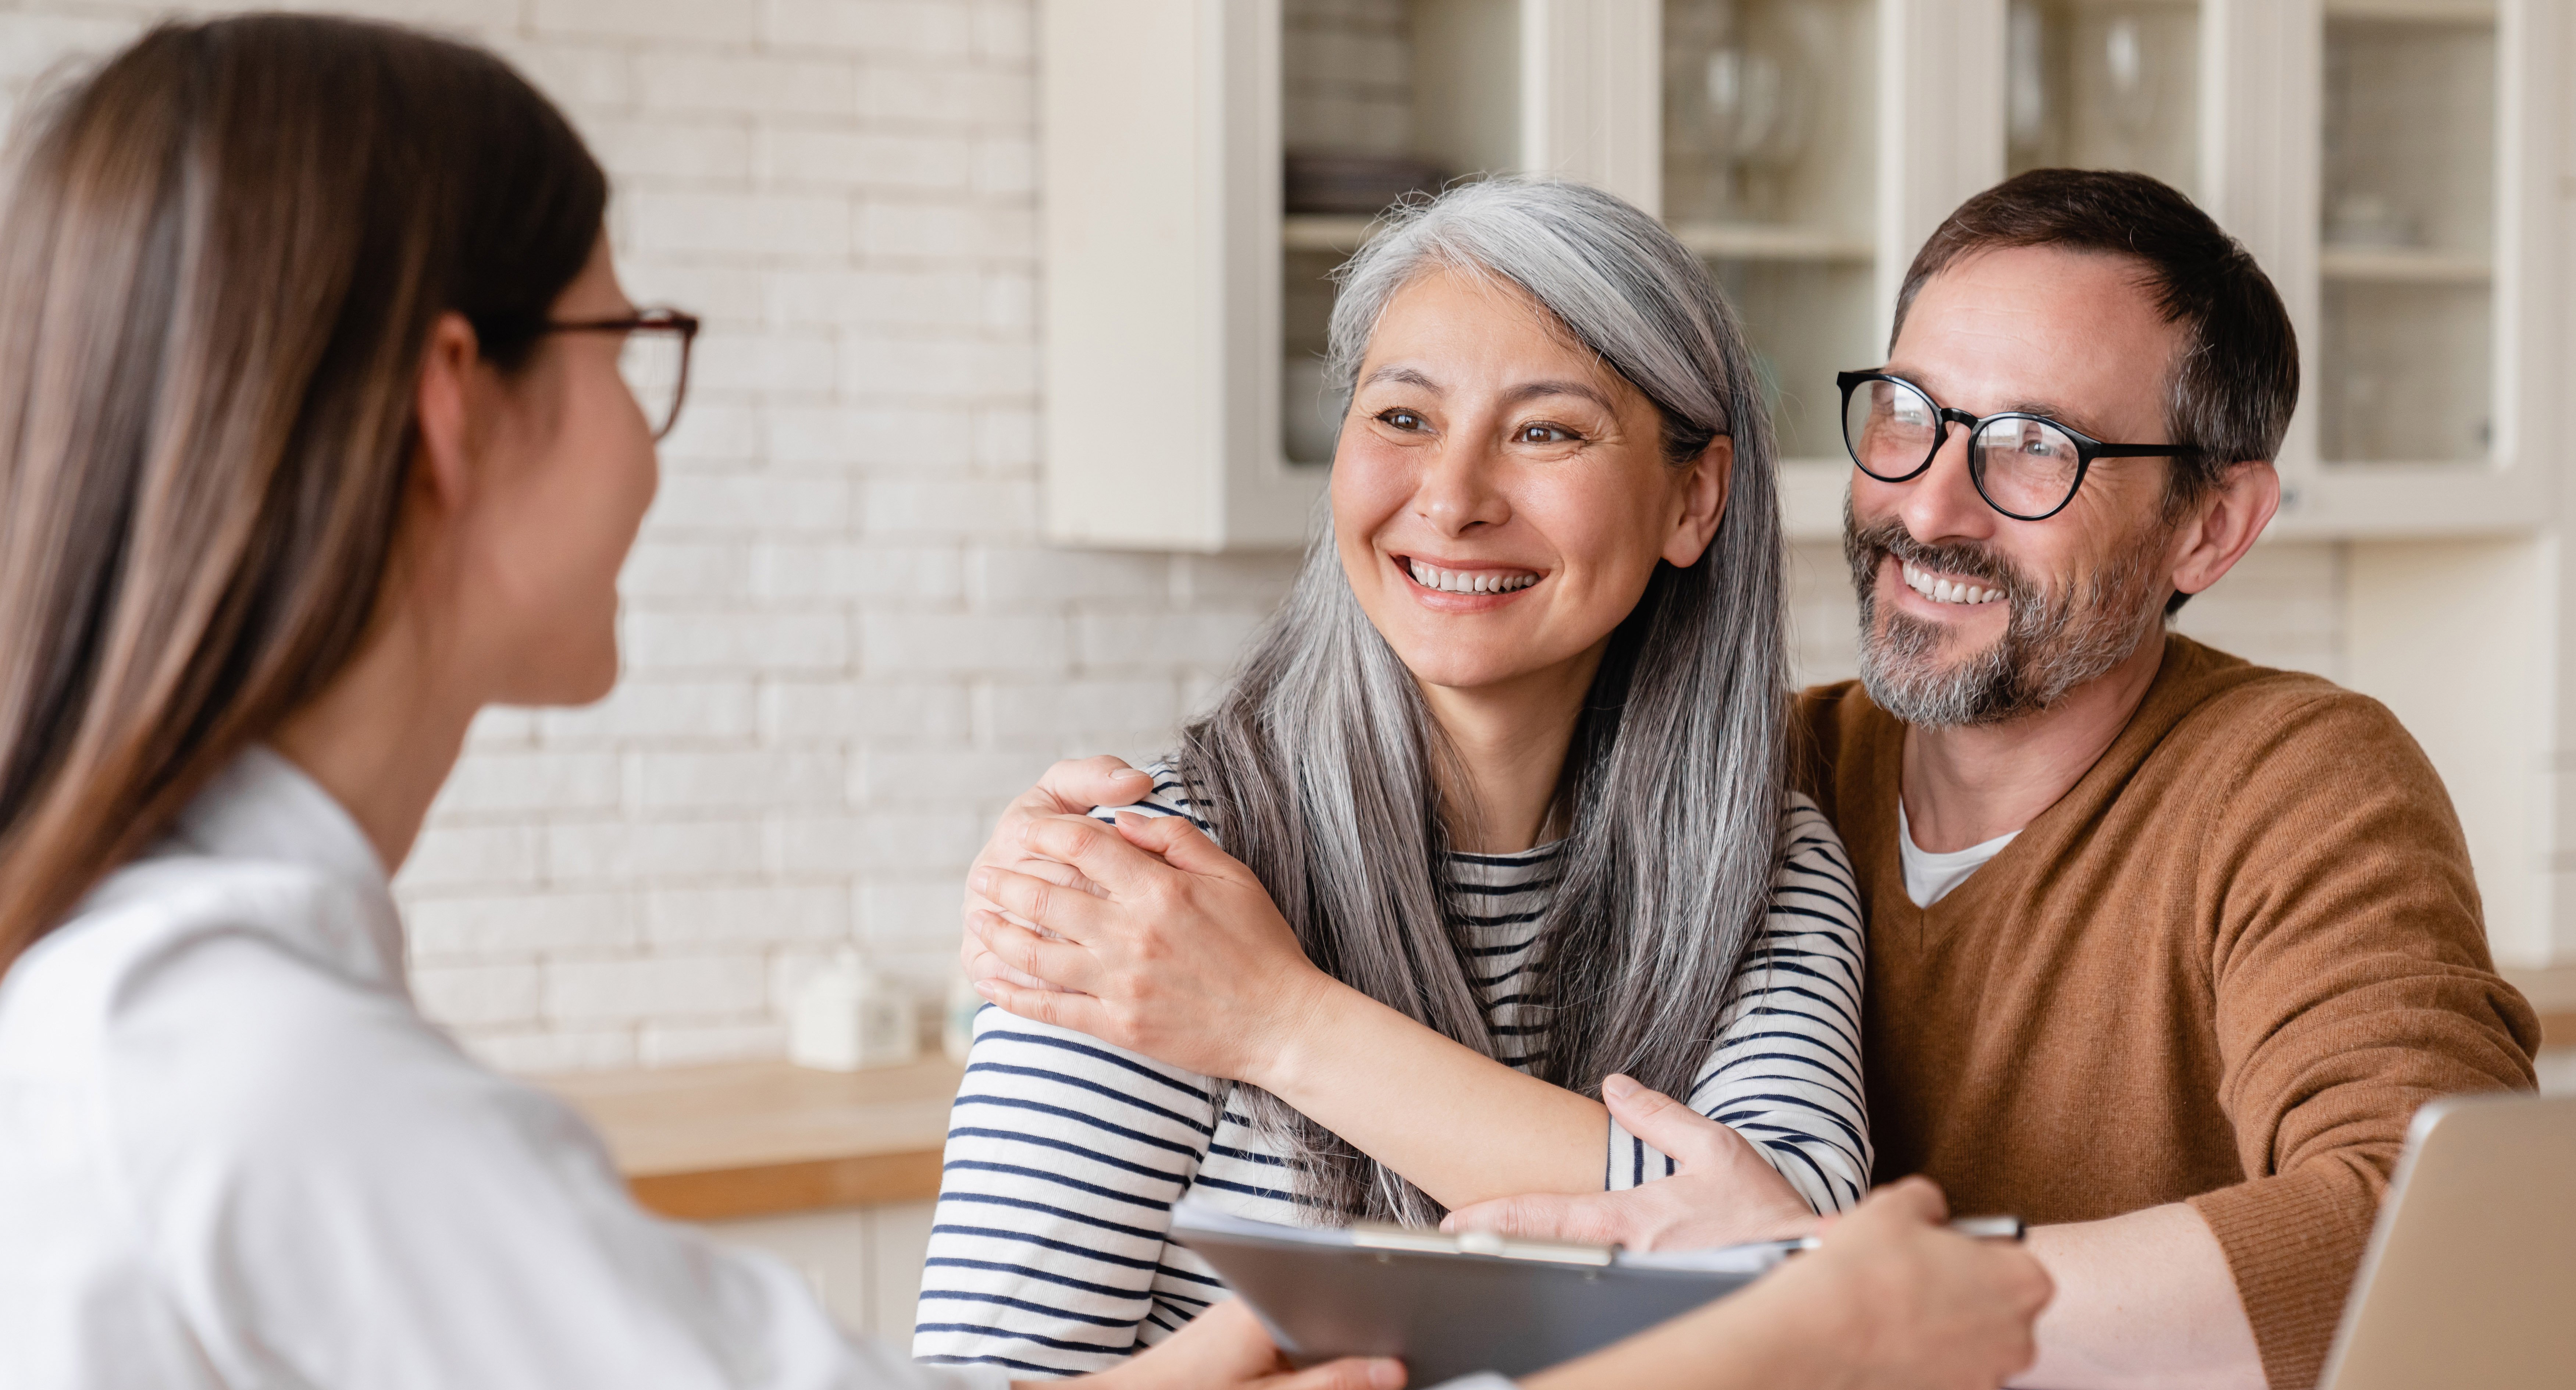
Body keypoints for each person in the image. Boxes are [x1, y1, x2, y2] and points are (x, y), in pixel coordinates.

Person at [0, 15, 2050, 1390]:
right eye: (631, 339)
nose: (652, 431)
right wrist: (1788, 1330)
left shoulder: (194, 1034)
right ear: (458, 409)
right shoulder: (252, 1081)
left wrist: (1274, 1104)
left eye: (1544, 429)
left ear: (1696, 495)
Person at [963, 171, 2543, 1390]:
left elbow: (2443, 1237)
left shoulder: (2268, 787)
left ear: (2212, 527)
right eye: (1912, 419)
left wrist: (1842, 1292)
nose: (1937, 506)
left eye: (2037, 450)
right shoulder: (1780, 779)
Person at [918, 178, 1869, 1377]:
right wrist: (1262, 1331)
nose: (1454, 499)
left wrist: (1277, 1019)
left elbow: (1797, 1261)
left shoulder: (1762, 860)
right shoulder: (1157, 887)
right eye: (1404, 418)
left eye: (1546, 430)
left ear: (1695, 497)